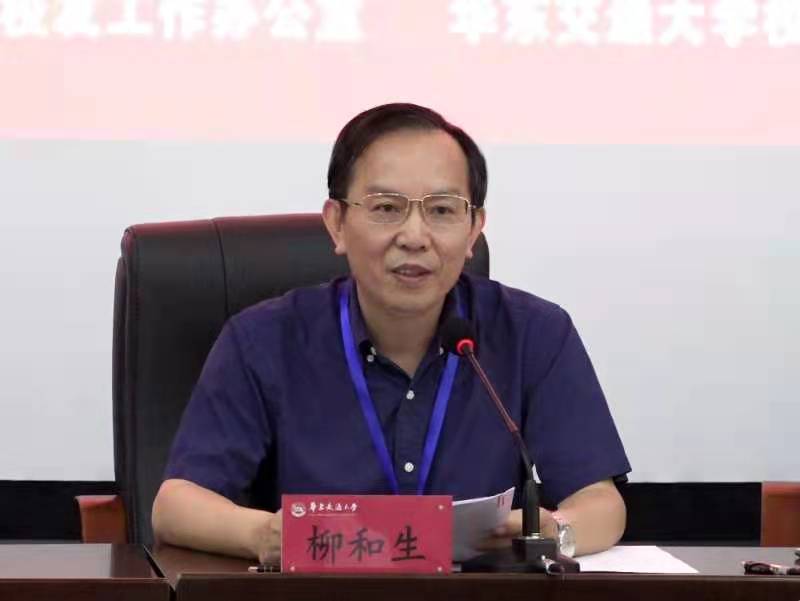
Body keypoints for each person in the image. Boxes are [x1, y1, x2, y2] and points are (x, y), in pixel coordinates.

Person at [151, 103, 631, 564]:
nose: (414, 236)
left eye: (442, 210)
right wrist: (264, 535)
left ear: (473, 230)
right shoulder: (263, 340)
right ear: (337, 224)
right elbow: (176, 505)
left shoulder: (534, 334)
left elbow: (600, 504)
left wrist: (555, 532)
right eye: (386, 207)